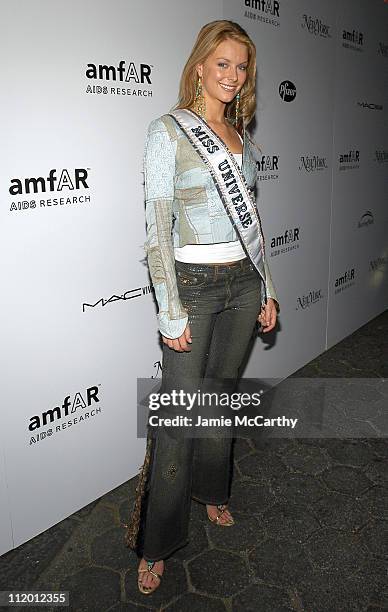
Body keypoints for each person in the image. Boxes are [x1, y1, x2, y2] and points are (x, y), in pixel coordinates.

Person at [125, 19, 280, 595]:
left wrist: (266, 286)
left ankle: (213, 490)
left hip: (243, 285)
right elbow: (156, 229)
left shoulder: (241, 137)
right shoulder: (167, 131)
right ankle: (158, 540)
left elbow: (252, 229)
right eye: (223, 63)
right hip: (190, 285)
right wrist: (170, 309)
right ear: (199, 65)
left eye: (241, 67)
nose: (233, 76)